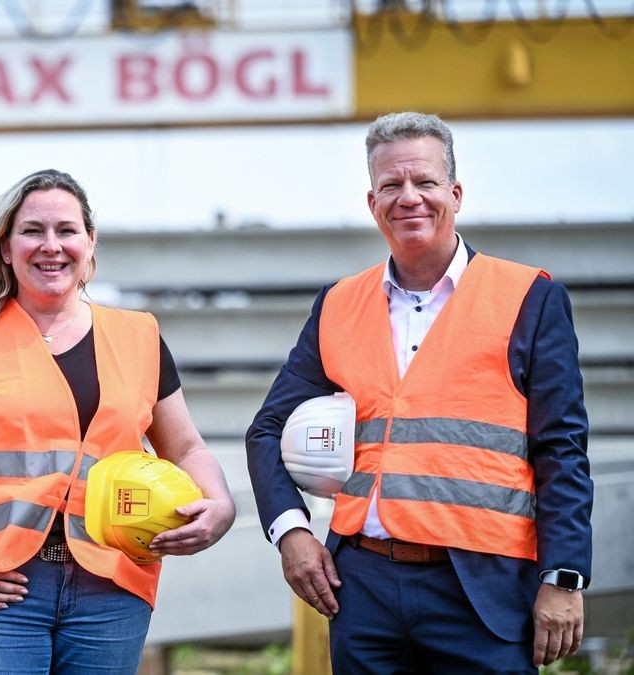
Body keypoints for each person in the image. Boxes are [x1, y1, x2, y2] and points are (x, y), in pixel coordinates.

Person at [246, 112, 594, 673]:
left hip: (485, 593)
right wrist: (291, 532)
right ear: (372, 202)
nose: (409, 197)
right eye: (391, 185)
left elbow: (561, 448)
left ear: (455, 194)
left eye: (425, 182)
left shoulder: (529, 297)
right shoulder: (338, 303)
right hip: (362, 588)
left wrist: (564, 577)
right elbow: (266, 430)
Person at [0, 169, 236, 673]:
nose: (50, 245)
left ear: (90, 243)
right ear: (6, 248)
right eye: (32, 230)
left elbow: (185, 448)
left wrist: (221, 506)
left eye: (66, 230)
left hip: (112, 587)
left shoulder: (139, 337)